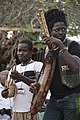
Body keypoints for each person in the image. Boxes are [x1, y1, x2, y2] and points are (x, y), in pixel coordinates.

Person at [30, 9, 80, 120]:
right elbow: (47, 74)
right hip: (54, 100)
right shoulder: (48, 51)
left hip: (72, 98)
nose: (61, 32)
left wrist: (61, 46)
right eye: (57, 30)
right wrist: (37, 85)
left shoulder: (72, 45)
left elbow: (75, 67)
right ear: (50, 32)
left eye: (63, 29)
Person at [1, 39, 43, 120]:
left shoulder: (37, 65)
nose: (20, 53)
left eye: (24, 51)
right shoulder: (14, 69)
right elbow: (11, 91)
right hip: (16, 110)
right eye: (19, 50)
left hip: (31, 110)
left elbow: (40, 86)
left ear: (31, 52)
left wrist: (20, 77)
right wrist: (6, 93)